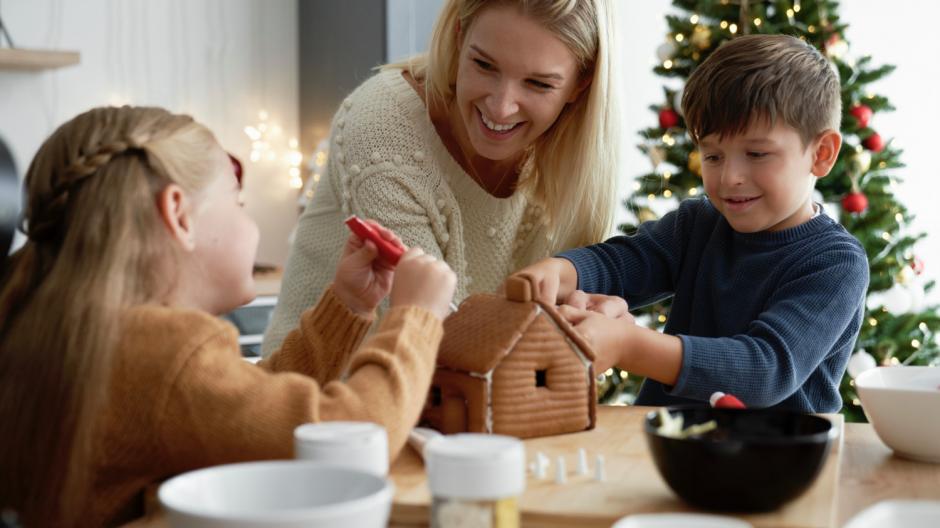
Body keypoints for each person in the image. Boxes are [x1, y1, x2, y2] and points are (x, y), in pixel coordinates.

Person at [0, 106, 456, 527]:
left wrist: (348, 306)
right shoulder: (160, 351)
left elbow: (248, 417)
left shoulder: (53, 317)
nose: (248, 222)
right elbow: (353, 443)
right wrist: (415, 317)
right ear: (179, 215)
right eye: (238, 202)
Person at [511, 34, 869, 413]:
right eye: (713, 156)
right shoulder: (698, 223)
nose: (730, 177)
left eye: (756, 153)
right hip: (666, 440)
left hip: (771, 449)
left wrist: (627, 345)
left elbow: (765, 369)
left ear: (822, 153)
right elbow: (623, 263)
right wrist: (560, 271)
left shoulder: (836, 262)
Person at [262, 0, 624, 355]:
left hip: (480, 392)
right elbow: (435, 336)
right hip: (328, 389)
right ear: (459, 35)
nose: (501, 107)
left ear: (581, 83)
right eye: (484, 65)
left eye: (538, 84)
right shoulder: (384, 129)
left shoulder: (573, 156)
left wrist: (593, 319)